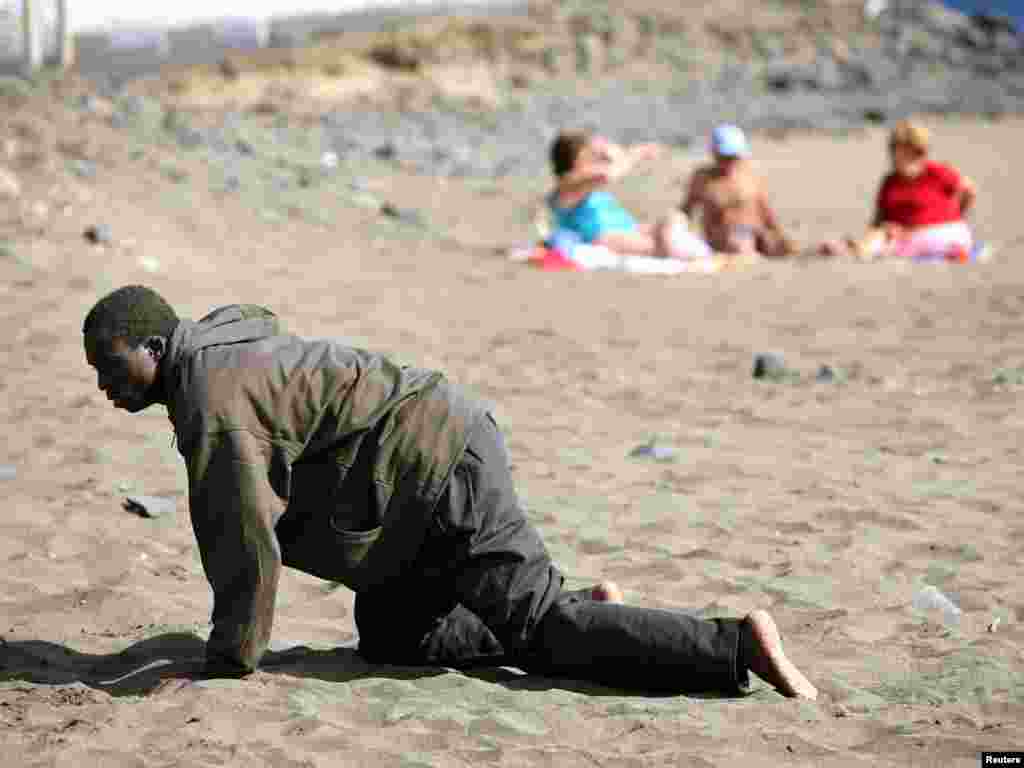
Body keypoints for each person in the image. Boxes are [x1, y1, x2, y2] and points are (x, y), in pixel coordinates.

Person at [82, 285, 817, 699]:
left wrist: (229, 660)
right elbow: (261, 321)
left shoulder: (211, 401)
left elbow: (242, 544)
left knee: (539, 635)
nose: (106, 388)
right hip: (406, 490)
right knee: (395, 635)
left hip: (438, 462)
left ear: (156, 348)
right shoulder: (213, 345)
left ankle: (733, 645)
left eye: (113, 368)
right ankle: (585, 611)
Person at [819, 120, 977, 261]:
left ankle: (853, 248)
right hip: (954, 236)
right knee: (885, 233)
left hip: (936, 234)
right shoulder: (899, 179)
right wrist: (957, 215)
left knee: (882, 236)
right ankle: (853, 246)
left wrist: (955, 215)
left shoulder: (933, 172)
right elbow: (969, 191)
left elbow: (969, 191)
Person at [547, 130, 713, 261]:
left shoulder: (585, 184)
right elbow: (608, 174)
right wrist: (635, 154)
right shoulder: (568, 184)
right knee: (661, 244)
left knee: (674, 219)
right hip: (604, 238)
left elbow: (610, 166)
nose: (593, 159)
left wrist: (623, 153)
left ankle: (690, 250)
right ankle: (689, 253)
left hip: (628, 230)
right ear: (577, 158)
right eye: (588, 155)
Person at [680, 124, 797, 259]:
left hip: (754, 232)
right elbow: (686, 210)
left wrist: (777, 234)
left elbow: (764, 210)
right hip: (722, 237)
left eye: (733, 157)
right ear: (714, 154)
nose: (729, 162)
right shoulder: (703, 178)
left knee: (780, 245)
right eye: (724, 157)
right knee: (737, 244)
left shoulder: (749, 175)